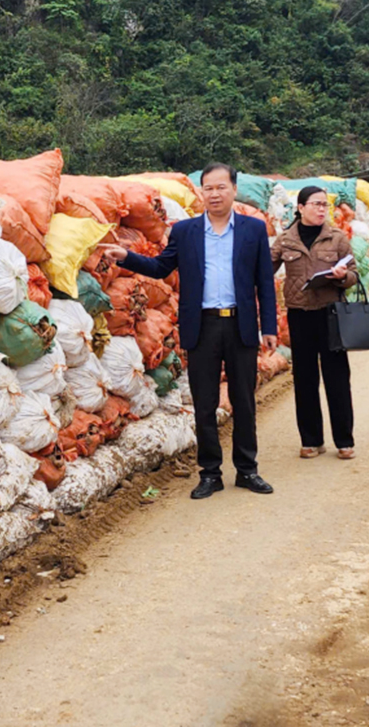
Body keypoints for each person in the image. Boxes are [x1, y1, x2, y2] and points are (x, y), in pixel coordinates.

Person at [101, 163, 279, 500]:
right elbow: (160, 267)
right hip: (203, 325)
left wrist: (268, 326)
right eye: (208, 188)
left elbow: (264, 284)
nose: (214, 194)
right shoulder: (186, 231)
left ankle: (247, 470)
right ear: (201, 192)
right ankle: (210, 473)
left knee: (243, 399)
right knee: (204, 402)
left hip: (240, 323)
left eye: (220, 187)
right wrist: (126, 256)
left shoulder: (253, 230)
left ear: (233, 190)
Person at [270, 186, 358, 460]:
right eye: (316, 204)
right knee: (305, 378)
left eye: (325, 205)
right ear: (300, 207)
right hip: (300, 315)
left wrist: (343, 276)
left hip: (331, 313)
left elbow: (354, 274)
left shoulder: (337, 237)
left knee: (337, 377)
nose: (322, 209)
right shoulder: (285, 240)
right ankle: (311, 440)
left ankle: (344, 440)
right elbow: (264, 269)